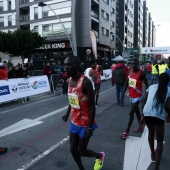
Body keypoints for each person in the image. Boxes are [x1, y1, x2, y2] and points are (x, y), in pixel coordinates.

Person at [62, 56, 105, 170]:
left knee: (82, 151)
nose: (66, 68)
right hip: (74, 121)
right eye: (65, 65)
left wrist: (90, 127)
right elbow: (72, 99)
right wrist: (67, 114)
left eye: (69, 65)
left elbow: (92, 106)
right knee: (72, 149)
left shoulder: (85, 82)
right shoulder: (68, 81)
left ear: (77, 66)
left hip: (86, 123)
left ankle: (99, 156)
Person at [141, 73, 170, 169]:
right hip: (158, 116)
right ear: (168, 81)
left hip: (147, 113)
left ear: (158, 79)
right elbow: (168, 106)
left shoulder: (152, 87)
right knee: (160, 141)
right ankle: (156, 167)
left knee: (151, 134)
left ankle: (152, 153)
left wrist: (142, 115)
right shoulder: (168, 90)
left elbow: (143, 100)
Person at [120, 58, 149, 139]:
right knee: (137, 112)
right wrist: (123, 93)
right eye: (132, 64)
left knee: (131, 113)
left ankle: (127, 131)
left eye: (135, 64)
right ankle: (141, 125)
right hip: (131, 95)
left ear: (138, 64)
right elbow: (126, 83)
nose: (133, 65)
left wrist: (145, 96)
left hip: (138, 96)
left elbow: (147, 85)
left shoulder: (141, 73)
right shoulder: (130, 71)